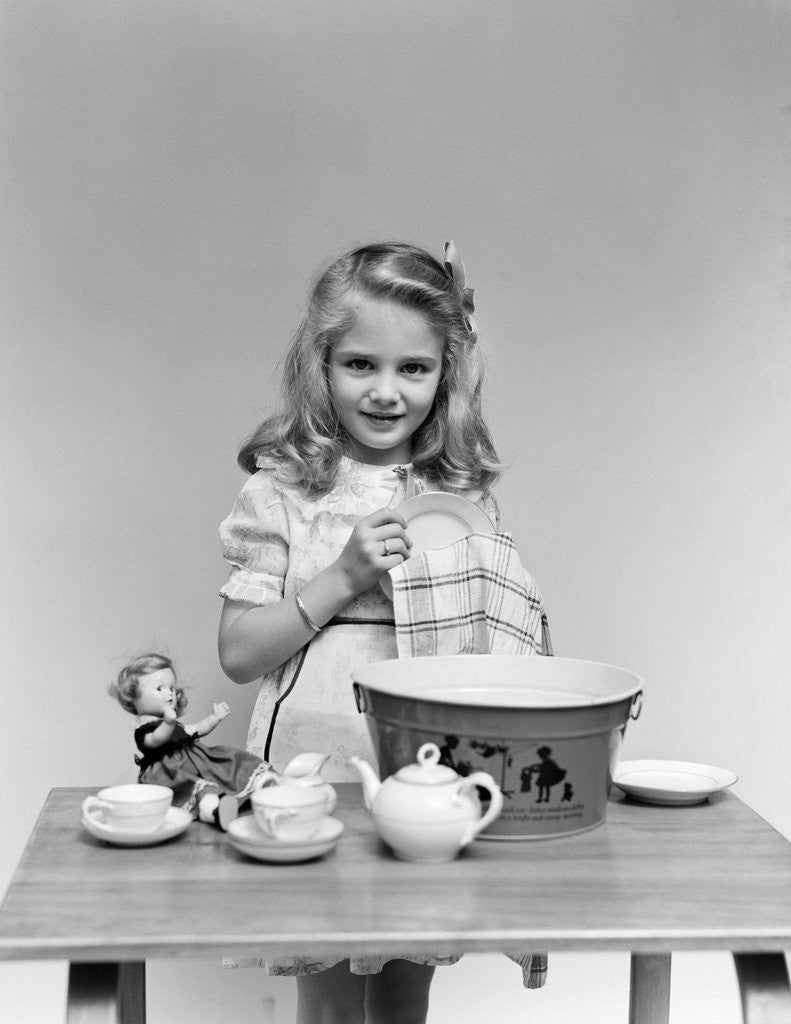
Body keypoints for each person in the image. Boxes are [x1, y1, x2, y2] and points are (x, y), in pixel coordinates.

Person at [217, 241, 539, 1022]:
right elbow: (236, 654)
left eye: (414, 369)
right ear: (319, 364)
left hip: (421, 765)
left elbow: (490, 638)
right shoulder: (281, 491)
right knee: (326, 997)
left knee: (404, 991)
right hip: (312, 764)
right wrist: (341, 578)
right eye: (360, 364)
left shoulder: (457, 494)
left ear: (446, 374)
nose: (387, 392)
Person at [108, 652, 268, 829]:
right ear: (133, 695)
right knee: (199, 787)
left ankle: (262, 783)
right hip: (171, 773)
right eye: (160, 688)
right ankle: (214, 810)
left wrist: (214, 718)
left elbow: (196, 729)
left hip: (198, 763)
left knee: (230, 759)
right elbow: (154, 741)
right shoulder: (145, 728)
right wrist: (168, 724)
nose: (169, 694)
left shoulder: (175, 724)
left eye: (172, 688)